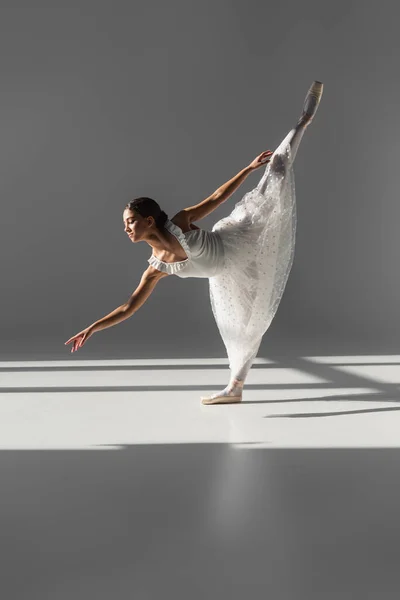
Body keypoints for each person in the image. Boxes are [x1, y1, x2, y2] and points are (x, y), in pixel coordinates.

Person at [65, 81, 324, 405]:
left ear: (148, 221)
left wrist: (248, 167)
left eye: (130, 221)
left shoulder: (181, 221)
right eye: (124, 224)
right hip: (226, 276)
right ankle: (235, 389)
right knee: (244, 328)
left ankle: (302, 122)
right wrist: (92, 328)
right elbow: (128, 307)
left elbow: (217, 197)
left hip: (238, 237)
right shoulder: (155, 269)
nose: (126, 228)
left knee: (274, 178)